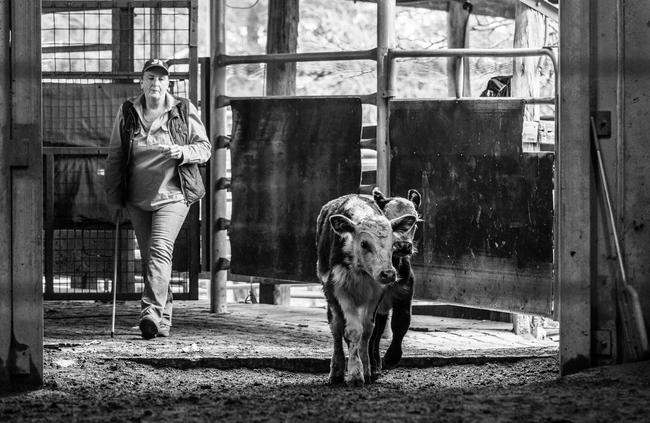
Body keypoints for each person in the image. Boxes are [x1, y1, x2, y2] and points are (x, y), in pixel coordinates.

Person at [105, 59, 211, 339]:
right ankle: (162, 321)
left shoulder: (183, 110)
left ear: (168, 84)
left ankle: (150, 311)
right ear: (141, 82)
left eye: (161, 79)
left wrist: (182, 152)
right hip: (138, 198)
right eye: (150, 78)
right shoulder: (128, 111)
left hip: (174, 195)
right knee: (152, 257)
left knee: (160, 250)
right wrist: (114, 196)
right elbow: (116, 155)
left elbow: (205, 148)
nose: (155, 84)